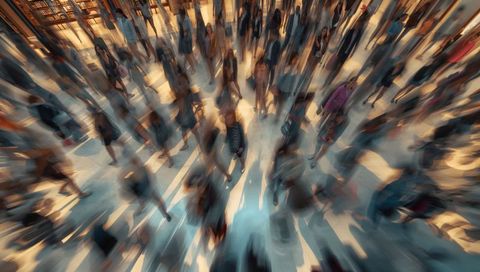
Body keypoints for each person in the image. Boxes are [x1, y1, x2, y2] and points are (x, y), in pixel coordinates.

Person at [177, 8, 196, 72]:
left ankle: (192, 67)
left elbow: (190, 29)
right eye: (180, 15)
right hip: (182, 38)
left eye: (182, 15)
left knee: (187, 53)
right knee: (186, 53)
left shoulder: (187, 19)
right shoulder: (178, 18)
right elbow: (179, 27)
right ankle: (188, 65)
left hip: (187, 38)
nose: (181, 16)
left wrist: (192, 36)